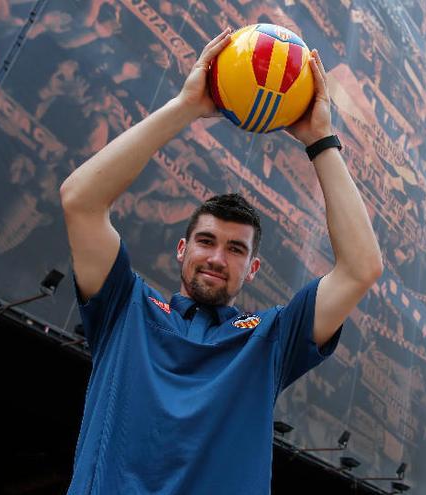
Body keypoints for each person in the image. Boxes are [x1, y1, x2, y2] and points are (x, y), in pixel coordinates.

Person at [59, 27, 382, 494]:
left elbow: (361, 268)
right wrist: (186, 106)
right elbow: (80, 200)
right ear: (181, 249)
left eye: (235, 249)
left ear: (252, 269)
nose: (216, 257)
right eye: (206, 241)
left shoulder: (271, 340)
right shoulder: (122, 308)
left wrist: (321, 139)